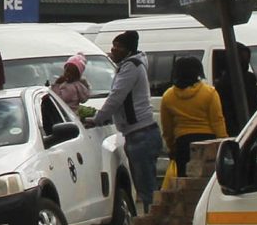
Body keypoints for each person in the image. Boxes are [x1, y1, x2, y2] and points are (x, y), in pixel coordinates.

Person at [97, 32, 164, 202]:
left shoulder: (131, 66)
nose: (113, 50)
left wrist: (99, 117)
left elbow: (116, 96)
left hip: (140, 134)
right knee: (144, 185)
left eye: (118, 46)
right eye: (113, 45)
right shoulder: (130, 65)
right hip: (139, 133)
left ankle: (151, 223)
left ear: (128, 50)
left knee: (146, 189)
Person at [158, 55, 228, 187]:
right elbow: (218, 121)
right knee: (209, 183)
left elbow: (167, 128)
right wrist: (223, 143)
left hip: (182, 144)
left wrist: (172, 147)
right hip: (208, 142)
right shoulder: (209, 92)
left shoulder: (168, 96)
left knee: (185, 185)